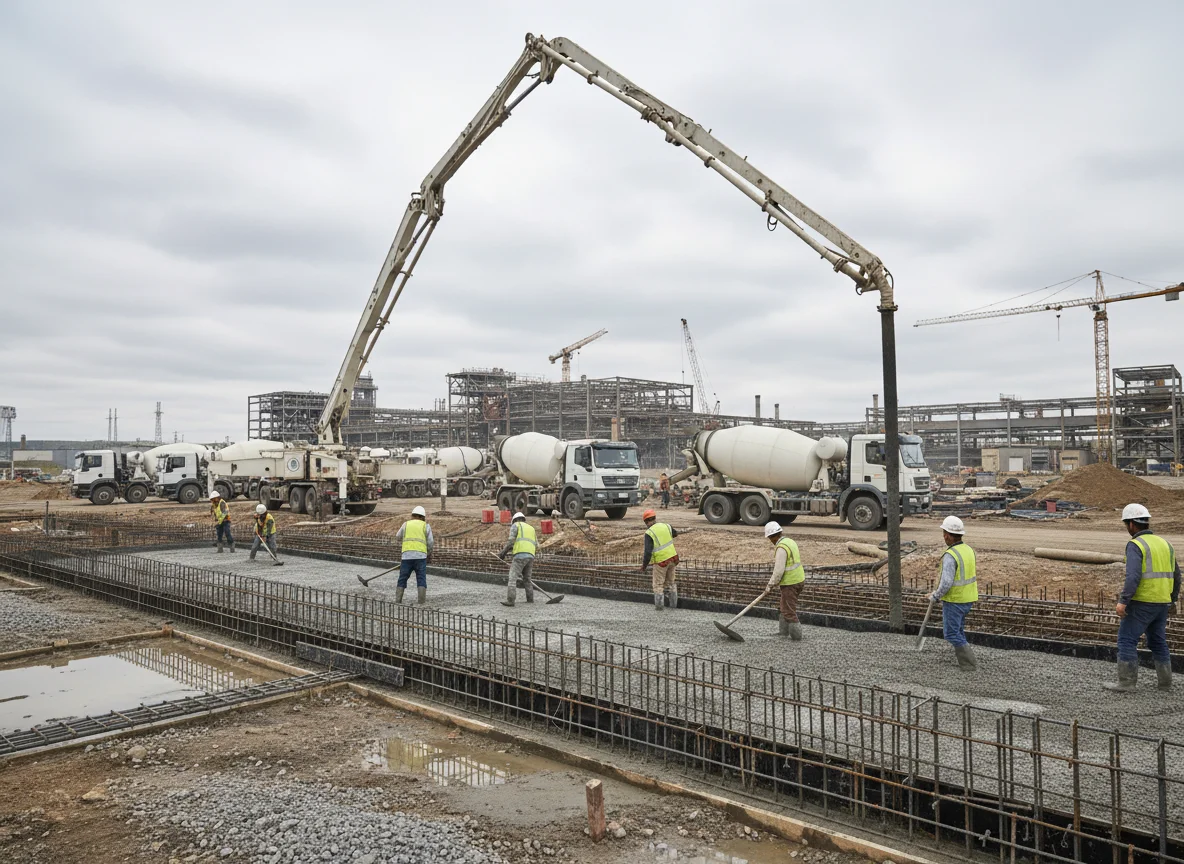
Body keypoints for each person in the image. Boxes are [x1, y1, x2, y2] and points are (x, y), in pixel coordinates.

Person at [1104, 503, 1180, 692]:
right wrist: (1173, 599)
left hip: (1142, 602)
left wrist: (1123, 601)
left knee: (1126, 639)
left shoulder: (1135, 545)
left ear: (1131, 524)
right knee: (1157, 641)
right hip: (1162, 603)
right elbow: (1177, 575)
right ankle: (1165, 683)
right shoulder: (1165, 544)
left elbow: (1133, 576)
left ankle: (1127, 682)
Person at [929, 515, 978, 671]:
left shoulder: (951, 555)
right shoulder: (968, 550)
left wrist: (936, 596)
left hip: (955, 600)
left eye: (944, 533)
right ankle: (966, 659)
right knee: (958, 630)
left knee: (951, 633)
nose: (943, 536)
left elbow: (947, 582)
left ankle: (968, 664)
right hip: (968, 598)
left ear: (947, 535)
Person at [763, 521, 804, 640]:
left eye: (770, 538)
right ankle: (783, 632)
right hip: (799, 579)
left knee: (789, 610)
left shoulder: (781, 547)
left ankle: (797, 638)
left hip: (791, 583)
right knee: (784, 606)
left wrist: (770, 584)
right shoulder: (790, 541)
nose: (771, 541)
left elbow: (778, 571)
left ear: (772, 537)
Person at [639, 509, 680, 610]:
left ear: (646, 522)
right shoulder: (666, 525)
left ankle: (659, 608)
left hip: (661, 562)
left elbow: (648, 552)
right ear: (655, 518)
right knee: (671, 582)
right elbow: (675, 534)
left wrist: (644, 566)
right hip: (673, 559)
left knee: (658, 584)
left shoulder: (649, 532)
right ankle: (673, 606)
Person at [394, 505, 434, 605]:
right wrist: (428, 553)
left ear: (413, 515)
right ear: (423, 517)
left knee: (402, 578)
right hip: (420, 557)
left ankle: (398, 601)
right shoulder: (426, 526)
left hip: (406, 556)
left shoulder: (406, 524)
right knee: (421, 578)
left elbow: (398, 536)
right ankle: (421, 603)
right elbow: (430, 542)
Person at [497, 512, 537, 607]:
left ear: (514, 520)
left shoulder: (516, 525)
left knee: (512, 578)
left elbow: (511, 541)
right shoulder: (531, 528)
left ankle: (510, 600)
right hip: (531, 555)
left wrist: (503, 553)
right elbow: (534, 544)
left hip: (520, 556)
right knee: (527, 579)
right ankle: (530, 599)